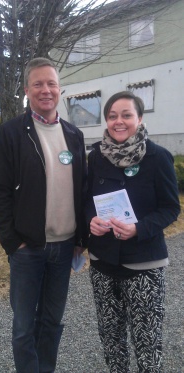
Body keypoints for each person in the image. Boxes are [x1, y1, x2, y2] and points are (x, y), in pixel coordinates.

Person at [0, 57, 88, 373]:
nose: (46, 90)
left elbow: (82, 189)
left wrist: (81, 238)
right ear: (27, 91)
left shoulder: (74, 134)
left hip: (65, 246)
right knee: (23, 327)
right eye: (38, 84)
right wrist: (12, 241)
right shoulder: (12, 133)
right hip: (27, 249)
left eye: (51, 83)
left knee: (53, 322)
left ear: (60, 89)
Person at [85, 91, 180, 373]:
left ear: (139, 119)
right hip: (103, 262)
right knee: (111, 339)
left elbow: (170, 208)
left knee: (147, 341)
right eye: (112, 116)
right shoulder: (97, 158)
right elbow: (87, 200)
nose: (119, 121)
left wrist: (138, 229)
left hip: (144, 264)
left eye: (126, 115)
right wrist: (91, 220)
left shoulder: (158, 157)